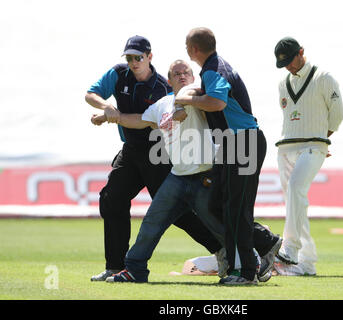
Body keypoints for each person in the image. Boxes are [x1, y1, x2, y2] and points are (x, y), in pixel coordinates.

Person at [91, 60, 282, 284]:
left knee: (219, 223)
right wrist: (109, 117)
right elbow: (140, 120)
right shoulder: (162, 104)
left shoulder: (197, 97)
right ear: (168, 79)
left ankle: (253, 257)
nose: (182, 76)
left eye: (186, 72)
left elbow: (191, 91)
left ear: (193, 78)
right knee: (152, 222)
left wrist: (182, 104)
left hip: (205, 175)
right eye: (176, 73)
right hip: (177, 176)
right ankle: (135, 269)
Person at [85, 35, 223, 281]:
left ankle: (222, 250)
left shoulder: (163, 85)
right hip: (130, 150)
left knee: (178, 211)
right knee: (111, 198)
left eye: (138, 57)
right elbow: (91, 94)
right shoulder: (119, 74)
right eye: (129, 57)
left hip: (157, 152)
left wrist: (112, 116)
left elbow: (177, 106)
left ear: (150, 57)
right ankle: (115, 266)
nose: (133, 62)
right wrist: (107, 110)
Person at [175, 28, 271, 285]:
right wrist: (191, 96)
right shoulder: (214, 67)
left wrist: (189, 101)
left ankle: (247, 272)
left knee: (236, 210)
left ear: (194, 49)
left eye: (187, 46)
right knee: (220, 205)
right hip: (234, 143)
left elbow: (217, 102)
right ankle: (253, 256)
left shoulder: (213, 68)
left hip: (243, 142)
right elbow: (212, 96)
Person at [273, 37, 343, 276]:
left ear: (301, 52)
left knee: (295, 190)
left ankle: (290, 249)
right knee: (294, 201)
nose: (288, 66)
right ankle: (307, 262)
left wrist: (320, 139)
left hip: (313, 146)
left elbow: (337, 114)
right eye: (283, 63)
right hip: (286, 147)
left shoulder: (324, 77)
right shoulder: (283, 82)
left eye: (290, 60)